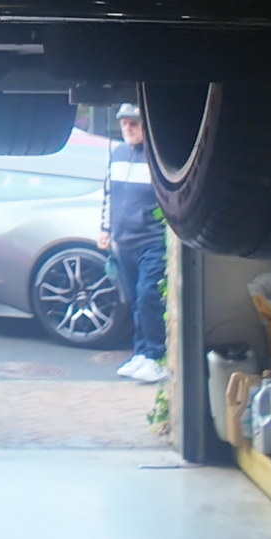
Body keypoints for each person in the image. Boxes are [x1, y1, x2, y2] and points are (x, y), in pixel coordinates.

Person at [101, 102, 168, 383]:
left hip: (151, 241)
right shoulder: (117, 154)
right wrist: (104, 229)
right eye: (124, 123)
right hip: (123, 242)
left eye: (134, 123)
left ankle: (156, 356)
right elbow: (108, 194)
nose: (127, 128)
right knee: (134, 301)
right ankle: (141, 353)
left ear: (146, 126)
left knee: (148, 296)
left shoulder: (157, 158)